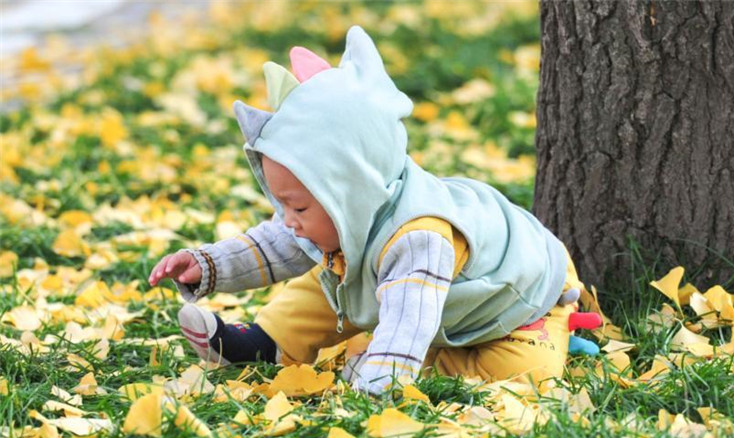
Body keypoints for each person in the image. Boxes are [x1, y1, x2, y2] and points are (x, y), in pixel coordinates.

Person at [148, 26, 600, 396]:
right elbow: (276, 243)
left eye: (298, 205)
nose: (288, 218)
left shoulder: (419, 239)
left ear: (349, 189)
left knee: (528, 377)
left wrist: (377, 382)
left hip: (517, 304)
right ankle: (260, 344)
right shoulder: (331, 217)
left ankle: (434, 360)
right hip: (411, 298)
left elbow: (407, 319)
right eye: (281, 203)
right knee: (324, 286)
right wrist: (207, 265)